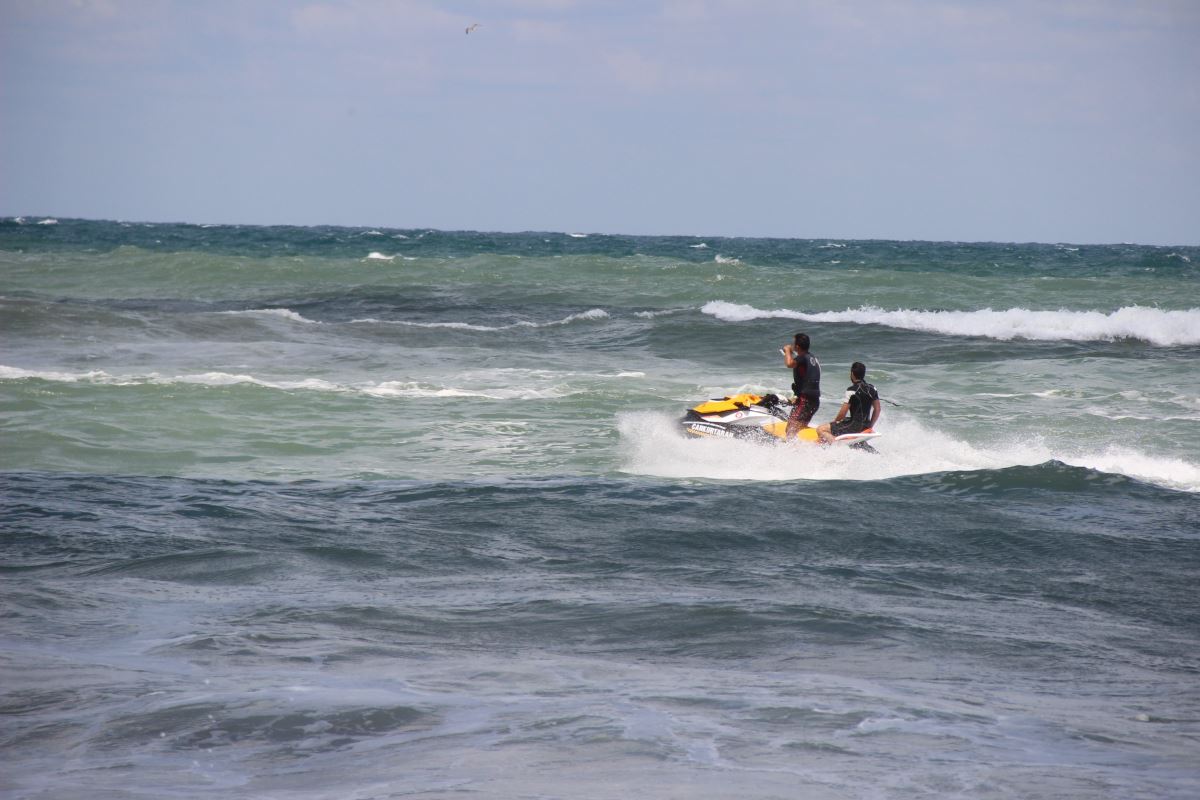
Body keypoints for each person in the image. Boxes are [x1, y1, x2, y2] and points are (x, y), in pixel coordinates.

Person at [817, 361, 881, 444]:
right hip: (866, 426)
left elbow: (842, 414)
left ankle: (835, 445)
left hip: (853, 427)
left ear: (852, 374)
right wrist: (870, 426)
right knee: (844, 421)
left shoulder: (851, 390)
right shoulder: (873, 389)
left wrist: (834, 425)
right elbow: (878, 409)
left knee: (820, 429)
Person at [782, 332, 821, 438]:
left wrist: (787, 351)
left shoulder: (802, 357)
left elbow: (789, 363)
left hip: (806, 401)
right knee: (799, 428)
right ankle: (802, 448)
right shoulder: (813, 358)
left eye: (793, 344)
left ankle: (789, 450)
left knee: (790, 428)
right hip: (814, 401)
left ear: (797, 346)